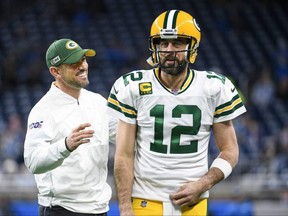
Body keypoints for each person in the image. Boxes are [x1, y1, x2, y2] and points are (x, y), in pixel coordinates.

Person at [107, 10, 246, 216]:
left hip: (193, 201)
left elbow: (230, 151)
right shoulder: (133, 86)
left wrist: (202, 184)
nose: (169, 50)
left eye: (177, 43)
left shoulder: (213, 87)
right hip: (145, 198)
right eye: (163, 43)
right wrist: (125, 208)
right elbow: (123, 154)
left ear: (193, 47)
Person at [24, 38, 116, 216]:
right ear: (55, 71)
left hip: (100, 208)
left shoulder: (97, 102)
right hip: (62, 209)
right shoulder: (43, 110)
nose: (82, 66)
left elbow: (123, 136)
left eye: (83, 59)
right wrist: (65, 145)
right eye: (73, 63)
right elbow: (33, 161)